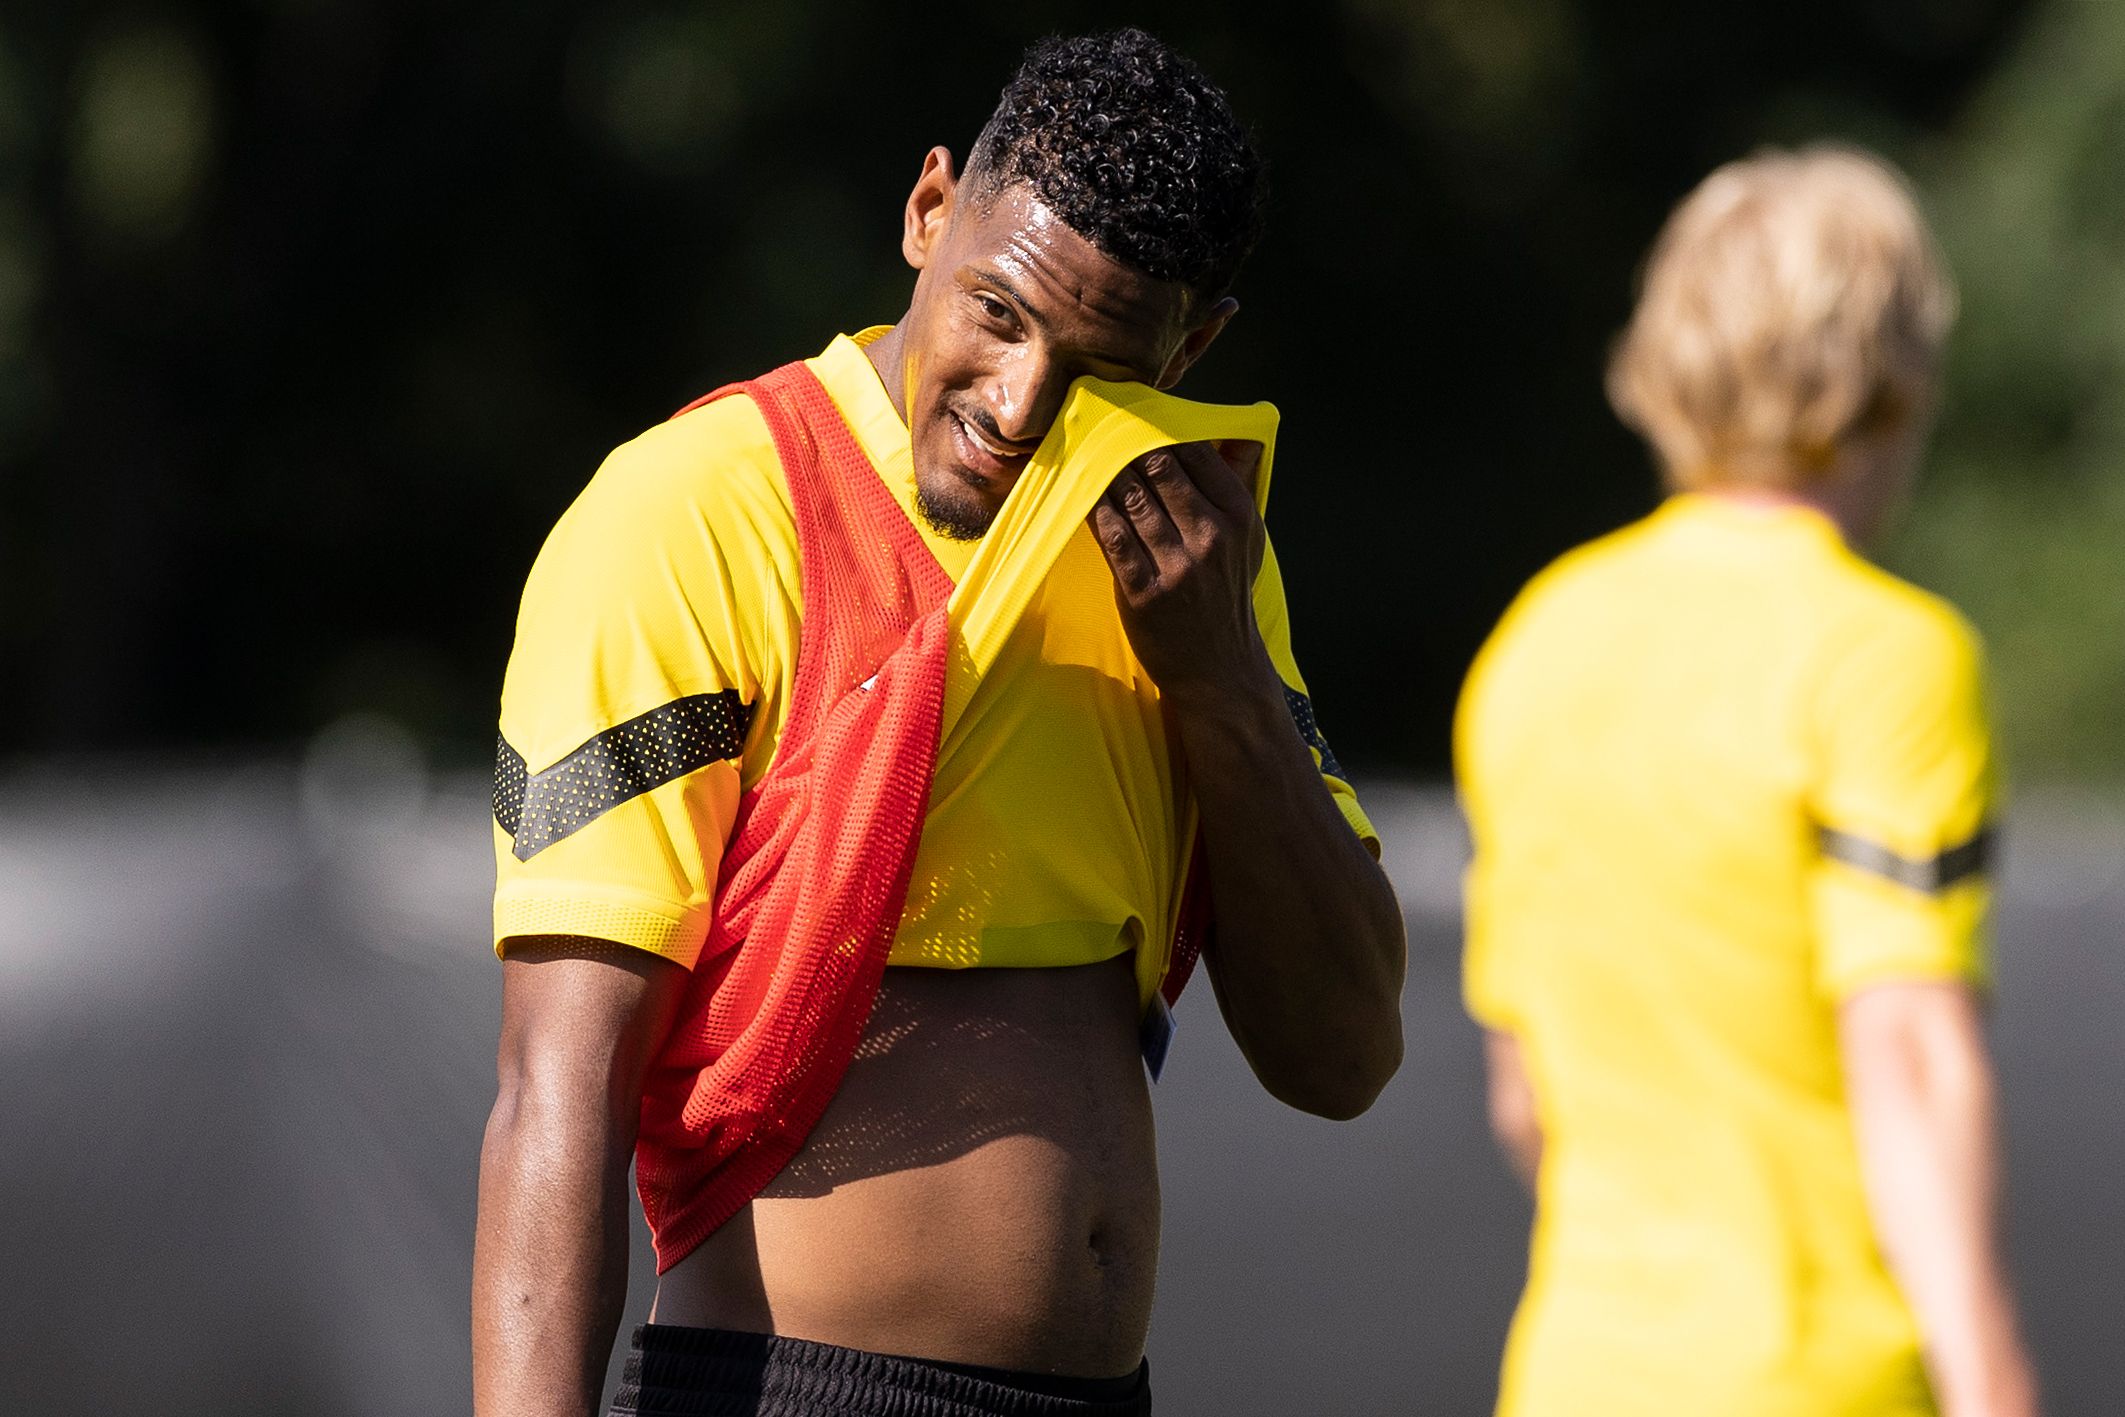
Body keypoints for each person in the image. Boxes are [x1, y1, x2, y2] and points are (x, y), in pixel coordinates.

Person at [472, 29, 1406, 1417]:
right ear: (926, 214)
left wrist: (1216, 676)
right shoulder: (695, 509)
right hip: (780, 1390)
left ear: (1192, 345)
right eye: (1001, 315)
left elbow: (1342, 1057)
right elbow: (559, 1079)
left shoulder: (1192, 557)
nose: (1017, 408)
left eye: (1093, 365)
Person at [1456, 147, 2040, 1417]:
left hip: (1571, 1376)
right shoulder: (1886, 657)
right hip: (1817, 1380)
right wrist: (1993, 1382)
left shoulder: (1535, 641)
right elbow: (1909, 1050)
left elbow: (1524, 1101)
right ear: (1889, 385)